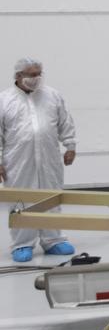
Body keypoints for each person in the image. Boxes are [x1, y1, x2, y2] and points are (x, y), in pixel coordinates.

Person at [0, 58, 77, 262]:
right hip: (17, 160)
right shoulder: (4, 100)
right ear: (18, 76)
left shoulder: (52, 96)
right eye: (31, 74)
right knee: (20, 199)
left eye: (39, 73)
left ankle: (53, 240)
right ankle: (22, 244)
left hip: (49, 157)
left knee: (51, 196)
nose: (36, 78)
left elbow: (65, 122)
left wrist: (70, 145)